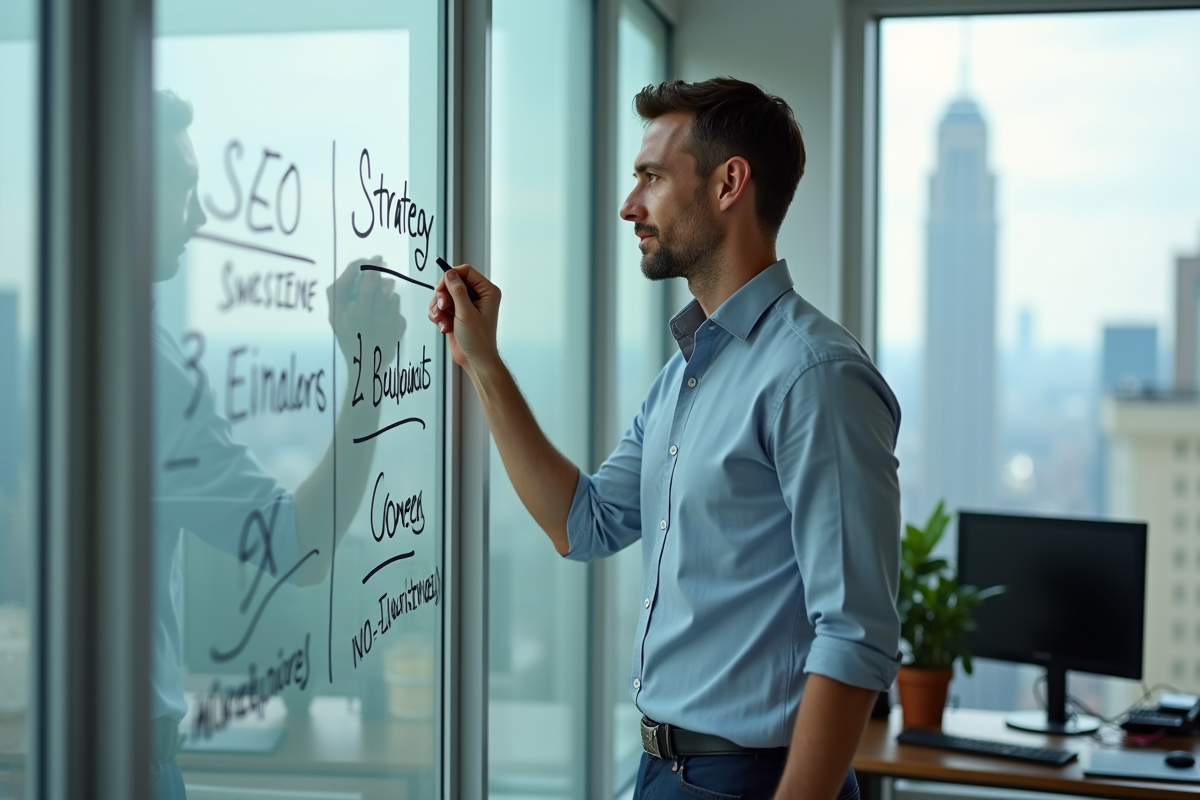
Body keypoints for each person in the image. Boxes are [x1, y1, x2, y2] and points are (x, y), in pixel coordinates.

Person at [429, 78, 902, 800]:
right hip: (664, 773)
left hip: (755, 780)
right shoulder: (687, 374)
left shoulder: (815, 376)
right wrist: (484, 364)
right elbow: (581, 524)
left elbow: (854, 635)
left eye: (650, 177)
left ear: (728, 184)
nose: (630, 206)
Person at [151, 90, 404, 798]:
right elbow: (303, 546)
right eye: (182, 190)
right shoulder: (144, 368)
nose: (199, 218)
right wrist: (368, 373)